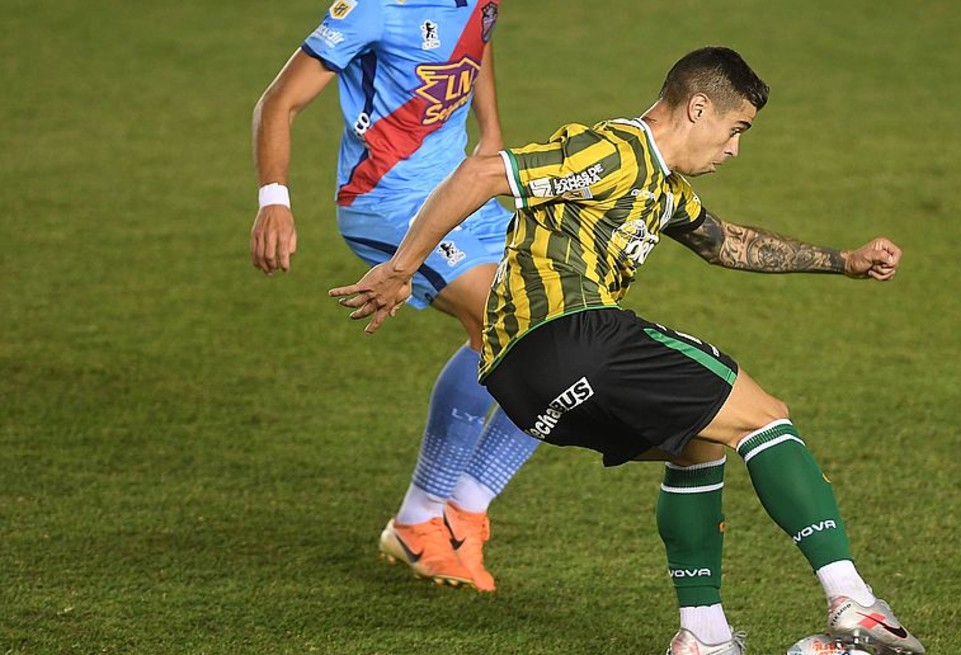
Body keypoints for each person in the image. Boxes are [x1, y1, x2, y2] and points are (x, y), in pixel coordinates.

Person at [330, 46, 926, 655]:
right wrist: (401, 267)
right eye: (736, 129)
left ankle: (705, 635)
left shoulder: (664, 187)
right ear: (699, 107)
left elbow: (726, 244)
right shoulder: (615, 150)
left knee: (698, 444)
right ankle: (855, 601)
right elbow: (483, 174)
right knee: (766, 418)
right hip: (575, 334)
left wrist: (844, 262)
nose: (734, 150)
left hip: (523, 389)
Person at [249, 0, 538, 593]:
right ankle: (425, 519)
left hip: (459, 191)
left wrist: (491, 134)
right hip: (385, 203)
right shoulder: (375, 9)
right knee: (505, 319)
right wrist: (274, 200)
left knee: (566, 321)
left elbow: (476, 42)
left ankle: (456, 511)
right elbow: (279, 101)